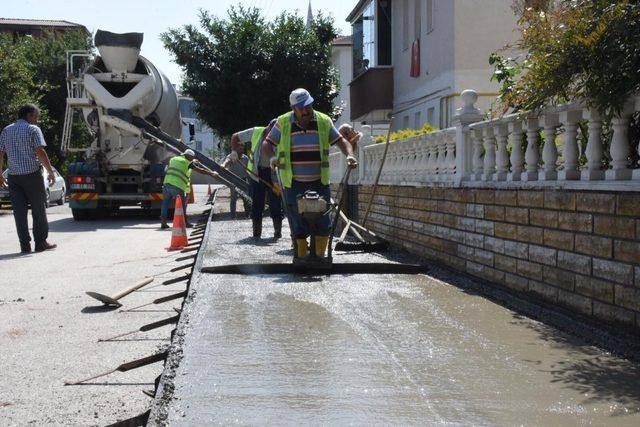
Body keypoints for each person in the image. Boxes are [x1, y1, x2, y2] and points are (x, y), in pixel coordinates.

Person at [265, 88, 357, 261]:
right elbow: (267, 143)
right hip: (293, 182)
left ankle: (320, 257)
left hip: (318, 181)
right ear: (293, 108)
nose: (306, 110)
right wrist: (272, 157)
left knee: (323, 220)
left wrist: (350, 155)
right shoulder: (283, 122)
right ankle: (300, 256)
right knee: (297, 221)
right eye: (301, 108)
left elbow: (341, 141)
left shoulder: (323, 121)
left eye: (308, 106)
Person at [0, 104, 57, 254]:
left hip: (13, 177)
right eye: (36, 116)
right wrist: (50, 171)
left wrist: (0, 175)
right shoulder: (33, 129)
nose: (36, 120)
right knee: (38, 210)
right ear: (29, 115)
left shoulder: (7, 130)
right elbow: (40, 151)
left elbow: (0, 153)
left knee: (19, 213)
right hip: (32, 175)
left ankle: (24, 245)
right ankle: (40, 243)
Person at [230, 120, 283, 238]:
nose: (273, 136)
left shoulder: (281, 136)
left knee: (275, 203)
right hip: (256, 174)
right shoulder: (256, 132)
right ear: (268, 127)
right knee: (257, 204)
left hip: (274, 175)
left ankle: (277, 232)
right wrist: (233, 151)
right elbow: (235, 137)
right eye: (272, 132)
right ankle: (256, 233)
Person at [160, 149, 216, 229]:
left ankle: (163, 223)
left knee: (165, 204)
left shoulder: (173, 159)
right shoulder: (188, 163)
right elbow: (201, 170)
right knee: (182, 206)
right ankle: (185, 223)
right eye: (192, 157)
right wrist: (211, 173)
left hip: (166, 184)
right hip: (177, 186)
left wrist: (193, 161)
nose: (192, 159)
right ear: (189, 156)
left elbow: (167, 168)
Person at [221, 145, 249, 218]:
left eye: (242, 149)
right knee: (233, 198)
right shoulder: (231, 156)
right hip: (234, 180)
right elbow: (227, 161)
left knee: (245, 198)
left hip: (243, 180)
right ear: (236, 149)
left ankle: (247, 215)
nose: (241, 150)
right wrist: (223, 165)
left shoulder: (245, 158)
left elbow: (249, 169)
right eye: (240, 149)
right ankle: (233, 216)